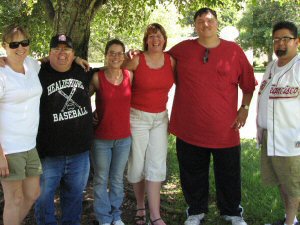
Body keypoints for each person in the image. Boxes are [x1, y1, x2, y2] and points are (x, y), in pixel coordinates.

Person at [168, 8, 256, 225]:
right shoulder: (181, 49)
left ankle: (232, 212)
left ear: (217, 24)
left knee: (229, 174)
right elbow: (156, 62)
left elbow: (248, 84)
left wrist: (244, 108)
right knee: (192, 173)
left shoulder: (234, 51)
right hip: (190, 128)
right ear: (195, 25)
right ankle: (196, 210)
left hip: (225, 129)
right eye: (200, 21)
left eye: (209, 21)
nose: (205, 25)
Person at [34, 34, 94, 225]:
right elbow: (17, 64)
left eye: (66, 49)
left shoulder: (83, 71)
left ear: (73, 53)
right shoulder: (37, 72)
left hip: (80, 153)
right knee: (44, 201)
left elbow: (113, 76)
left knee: (74, 200)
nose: (62, 53)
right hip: (49, 154)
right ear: (49, 53)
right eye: (56, 49)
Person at [124, 23, 175, 225]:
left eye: (159, 36)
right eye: (151, 36)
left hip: (160, 118)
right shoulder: (137, 60)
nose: (155, 40)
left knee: (156, 165)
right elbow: (116, 78)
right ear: (146, 40)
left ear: (164, 39)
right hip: (137, 117)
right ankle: (140, 206)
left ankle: (155, 215)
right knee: (137, 164)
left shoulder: (171, 61)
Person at [257, 21, 300, 225]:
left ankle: (290, 223)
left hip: (291, 140)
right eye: (276, 39)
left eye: (285, 38)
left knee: (293, 186)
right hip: (270, 137)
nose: (280, 43)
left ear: (297, 41)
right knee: (283, 183)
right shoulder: (271, 67)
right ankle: (289, 219)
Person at [0, 25, 42, 225]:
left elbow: (49, 60)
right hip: (8, 148)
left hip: (30, 145)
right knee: (14, 199)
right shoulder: (1, 73)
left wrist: (76, 58)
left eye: (25, 42)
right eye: (14, 44)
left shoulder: (32, 65)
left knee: (33, 193)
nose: (21, 48)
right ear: (4, 46)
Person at [89, 39, 133, 225]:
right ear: (106, 55)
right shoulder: (97, 77)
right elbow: (81, 99)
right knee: (100, 179)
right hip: (101, 139)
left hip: (124, 138)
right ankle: (103, 218)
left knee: (116, 179)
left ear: (124, 56)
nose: (115, 56)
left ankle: (116, 215)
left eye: (119, 53)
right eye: (111, 53)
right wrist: (90, 114)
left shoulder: (130, 75)